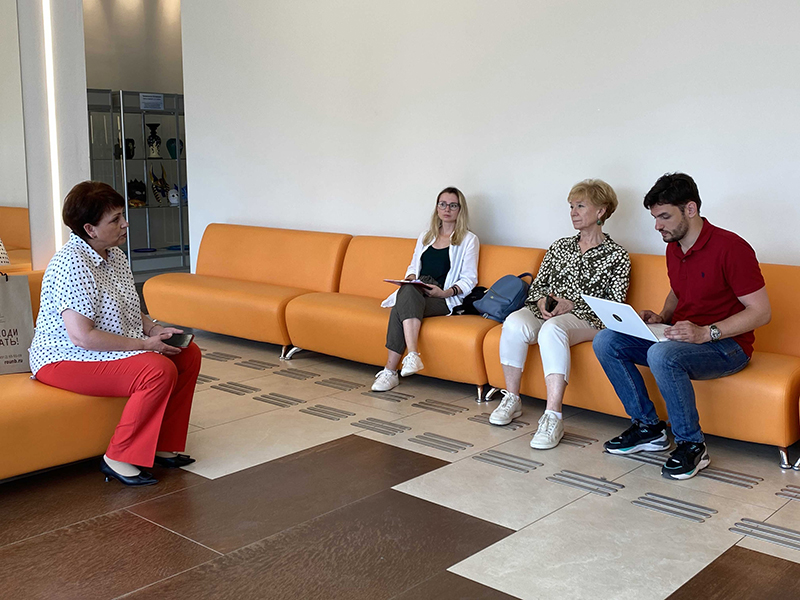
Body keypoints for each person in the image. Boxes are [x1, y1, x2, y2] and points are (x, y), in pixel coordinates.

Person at [593, 173, 771, 480]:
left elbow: (761, 312)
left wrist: (705, 332)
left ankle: (692, 445)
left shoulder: (732, 248)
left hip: (727, 346)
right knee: (607, 340)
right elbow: (678, 291)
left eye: (664, 216)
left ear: (690, 209)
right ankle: (649, 428)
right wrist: (663, 316)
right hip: (680, 338)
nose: (657, 226)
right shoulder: (674, 247)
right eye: (655, 218)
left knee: (662, 356)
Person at [29, 181, 201, 487]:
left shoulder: (115, 255)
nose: (125, 224)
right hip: (66, 358)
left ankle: (162, 444)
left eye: (123, 215)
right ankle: (118, 456)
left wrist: (154, 329)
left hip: (105, 350)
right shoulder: (72, 264)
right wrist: (144, 345)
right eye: (115, 219)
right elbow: (83, 337)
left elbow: (130, 306)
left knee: (188, 354)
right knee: (156, 370)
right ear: (90, 229)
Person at [489, 180, 630, 449]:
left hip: (589, 320)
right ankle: (512, 398)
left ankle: (553, 416)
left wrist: (571, 305)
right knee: (514, 322)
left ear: (601, 211)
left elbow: (614, 305)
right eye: (571, 207)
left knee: (552, 329)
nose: (573, 212)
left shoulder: (618, 256)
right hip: (549, 312)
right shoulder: (559, 247)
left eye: (580, 206)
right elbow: (538, 286)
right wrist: (543, 301)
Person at [372, 187, 479, 392]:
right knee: (407, 291)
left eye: (453, 205)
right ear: (437, 207)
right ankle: (411, 356)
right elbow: (413, 268)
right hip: (419, 289)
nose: (447, 209)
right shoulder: (426, 236)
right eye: (442, 204)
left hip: (443, 296)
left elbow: (470, 279)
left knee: (401, 306)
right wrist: (411, 280)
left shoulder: (468, 239)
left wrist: (445, 292)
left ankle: (390, 371)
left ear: (460, 210)